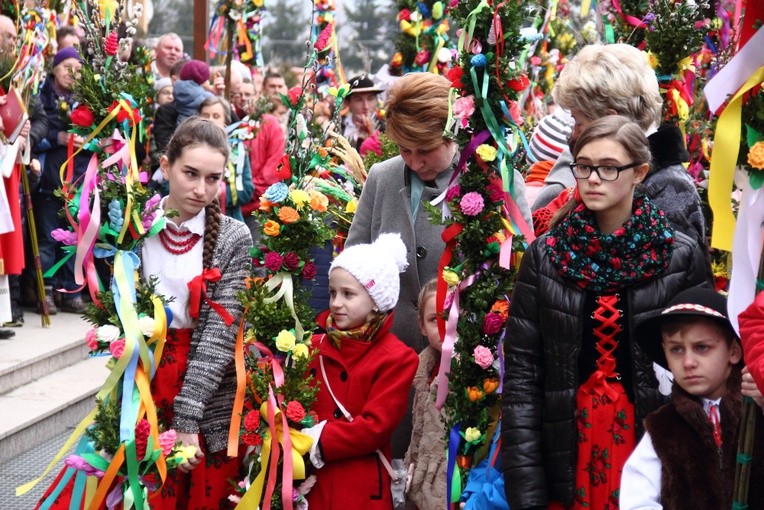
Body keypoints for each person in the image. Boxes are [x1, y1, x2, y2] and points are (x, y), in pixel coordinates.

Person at [501, 115, 711, 510]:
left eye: (609, 167)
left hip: (652, 441)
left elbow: (705, 365)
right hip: (568, 443)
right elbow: (523, 377)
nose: (593, 178)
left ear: (639, 173)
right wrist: (527, 488)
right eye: (584, 166)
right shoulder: (546, 255)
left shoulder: (678, 255)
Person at [347, 71, 531, 458]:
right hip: (387, 362)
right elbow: (353, 266)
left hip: (461, 366)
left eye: (425, 149)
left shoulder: (492, 180)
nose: (414, 162)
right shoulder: (382, 179)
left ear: (453, 133)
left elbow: (518, 270)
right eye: (404, 150)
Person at [531, 44, 707, 255]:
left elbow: (678, 274)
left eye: (579, 122)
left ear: (610, 119)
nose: (574, 134)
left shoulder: (667, 187)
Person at [303, 232, 419, 509]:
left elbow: (375, 427)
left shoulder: (397, 358)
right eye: (333, 292)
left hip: (359, 487)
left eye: (348, 294)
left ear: (377, 300)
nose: (336, 303)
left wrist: (318, 440)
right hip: (310, 481)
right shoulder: (313, 346)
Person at [620, 288, 764, 509]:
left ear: (734, 351)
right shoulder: (662, 427)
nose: (688, 362)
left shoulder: (756, 409)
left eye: (702, 348)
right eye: (676, 350)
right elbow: (637, 500)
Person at [33, 46, 89, 314]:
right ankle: (45, 291)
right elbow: (33, 137)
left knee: (73, 239)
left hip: (76, 182)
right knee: (47, 238)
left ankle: (70, 291)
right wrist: (58, 138)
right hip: (47, 180)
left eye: (78, 69)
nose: (72, 73)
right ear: (54, 68)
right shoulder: (42, 97)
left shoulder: (87, 100)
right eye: (67, 66)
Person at [404, 278, 447, 510]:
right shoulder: (424, 369)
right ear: (421, 326)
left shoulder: (472, 371)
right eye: (434, 320)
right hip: (418, 479)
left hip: (450, 484)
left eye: (450, 317)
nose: (443, 327)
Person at [198, 95, 254, 222]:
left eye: (216, 116)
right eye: (205, 116)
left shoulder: (237, 149)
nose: (210, 120)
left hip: (229, 218)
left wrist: (221, 193)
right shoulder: (187, 147)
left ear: (225, 122)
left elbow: (247, 190)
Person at [342, 74, 384, 150]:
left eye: (370, 99)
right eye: (359, 100)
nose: (366, 106)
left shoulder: (386, 129)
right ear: (347, 102)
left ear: (376, 100)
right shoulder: (339, 128)